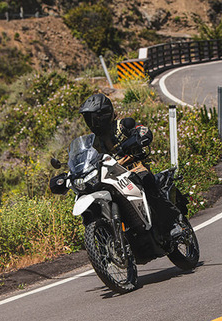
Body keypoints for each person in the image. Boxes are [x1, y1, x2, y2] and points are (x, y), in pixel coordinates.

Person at [78, 93, 181, 242]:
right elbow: (85, 159)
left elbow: (143, 130)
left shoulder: (122, 126)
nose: (91, 122)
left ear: (104, 115)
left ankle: (171, 225)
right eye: (88, 118)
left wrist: (139, 137)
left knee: (147, 182)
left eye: (94, 117)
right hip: (111, 177)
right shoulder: (93, 142)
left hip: (134, 168)